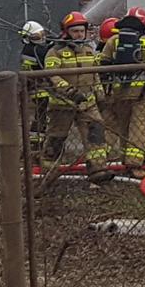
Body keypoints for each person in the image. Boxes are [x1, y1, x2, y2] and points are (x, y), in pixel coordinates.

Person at [98, 7, 145, 174]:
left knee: (124, 126)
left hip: (118, 92)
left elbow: (103, 64)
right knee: (138, 126)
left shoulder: (113, 41)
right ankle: (134, 166)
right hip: (142, 94)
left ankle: (124, 159)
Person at [41, 11, 109, 181]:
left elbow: (95, 75)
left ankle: (98, 170)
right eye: (75, 31)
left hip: (88, 103)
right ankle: (49, 172)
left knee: (96, 132)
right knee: (56, 139)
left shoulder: (88, 50)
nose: (79, 34)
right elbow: (52, 75)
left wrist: (100, 95)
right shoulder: (55, 52)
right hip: (62, 104)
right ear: (66, 32)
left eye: (81, 31)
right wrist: (69, 91)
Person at [18, 21, 55, 155]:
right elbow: (45, 56)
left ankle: (35, 145)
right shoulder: (33, 49)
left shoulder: (28, 49)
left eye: (41, 35)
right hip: (41, 89)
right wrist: (55, 44)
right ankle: (36, 145)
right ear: (28, 38)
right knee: (43, 116)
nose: (41, 38)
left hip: (35, 88)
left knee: (41, 116)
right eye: (36, 37)